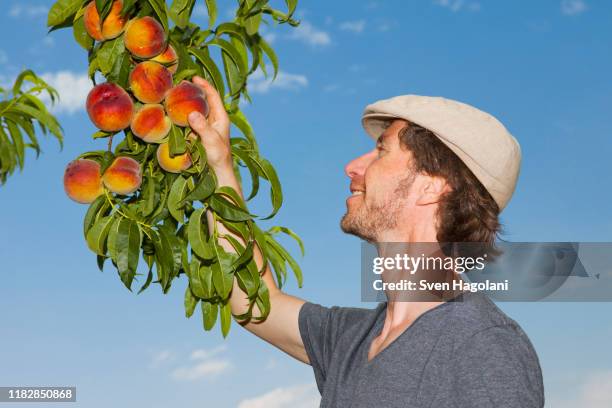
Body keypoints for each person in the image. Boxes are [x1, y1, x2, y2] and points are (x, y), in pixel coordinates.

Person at [187, 76, 545, 408]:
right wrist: (220, 166)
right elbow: (257, 304)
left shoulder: (483, 347)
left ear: (432, 185)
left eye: (381, 151)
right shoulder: (351, 338)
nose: (352, 166)